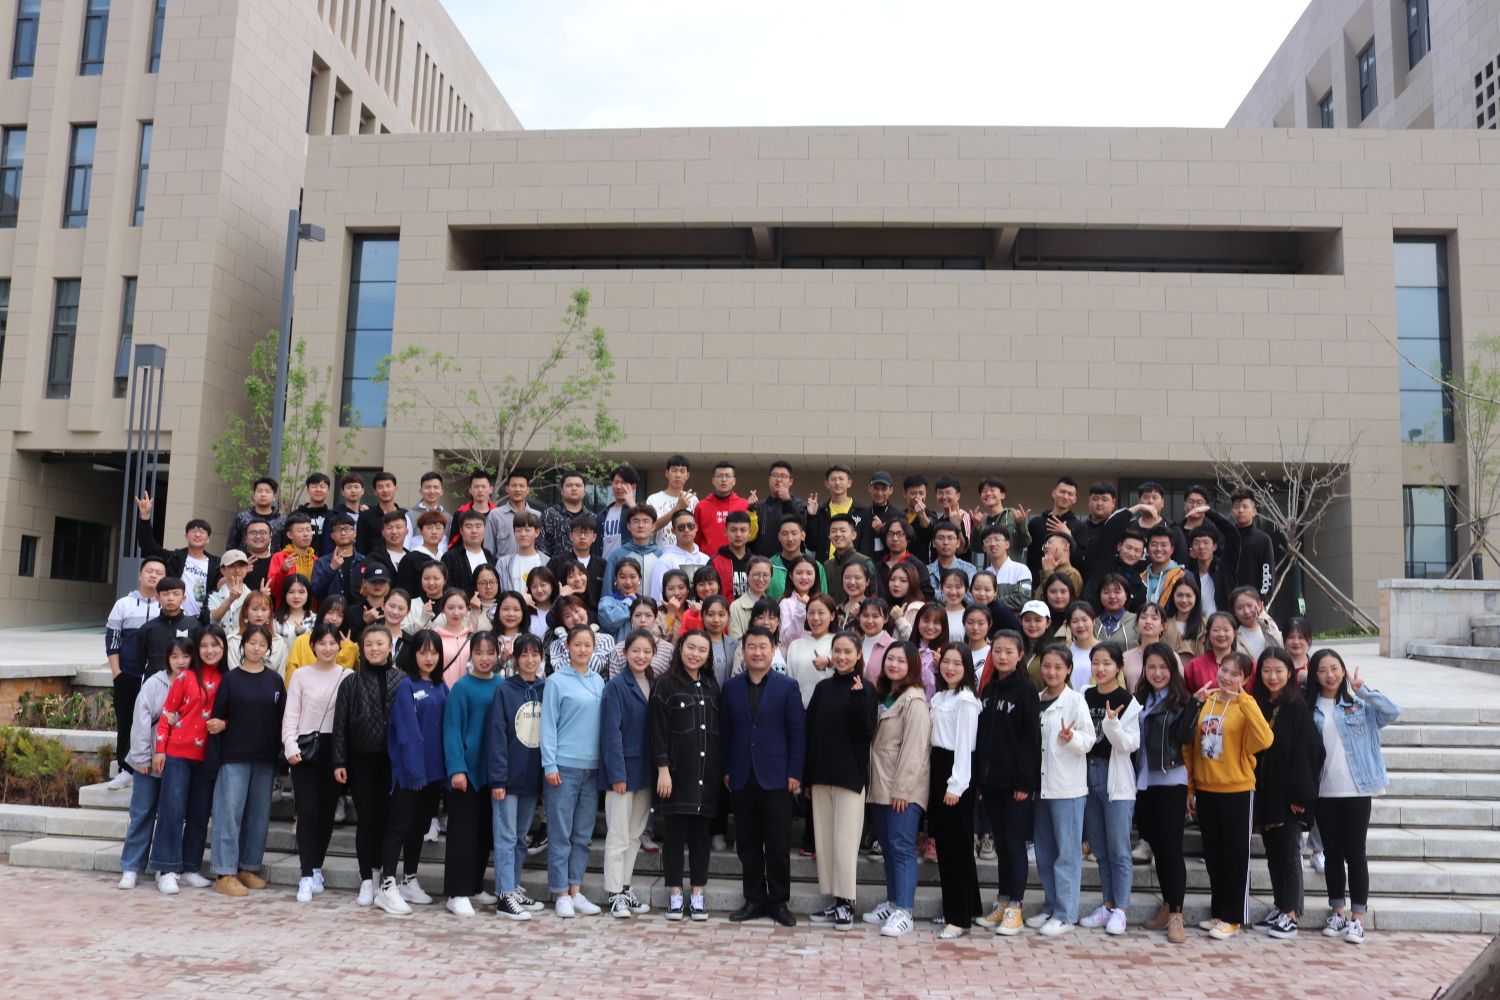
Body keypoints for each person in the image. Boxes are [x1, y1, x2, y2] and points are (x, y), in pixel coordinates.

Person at [1307, 647, 1401, 946]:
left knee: (1356, 854)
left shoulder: (1359, 705)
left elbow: (1393, 712)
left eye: (1335, 668)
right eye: (1323, 670)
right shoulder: (1309, 709)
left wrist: (1364, 690)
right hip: (1323, 790)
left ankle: (1358, 918)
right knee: (1332, 854)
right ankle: (1337, 912)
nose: (1330, 675)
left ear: (1343, 670)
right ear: (1314, 675)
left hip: (1357, 789)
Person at [1185, 651, 1273, 940]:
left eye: (1235, 674)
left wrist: (1244, 699)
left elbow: (1265, 739)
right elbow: (1191, 748)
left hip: (1237, 789)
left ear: (1245, 679)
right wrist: (1191, 787)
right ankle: (1219, 912)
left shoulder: (1247, 705)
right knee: (1214, 856)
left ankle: (1233, 917)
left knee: (1235, 857)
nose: (1226, 677)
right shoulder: (1207, 701)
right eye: (1224, 670)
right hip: (1206, 788)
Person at [721, 625, 805, 927]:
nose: (757, 652)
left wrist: (795, 771)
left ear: (773, 650)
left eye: (763, 647)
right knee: (748, 844)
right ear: (743, 651)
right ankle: (754, 899)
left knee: (778, 845)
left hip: (778, 776)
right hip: (742, 774)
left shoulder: (787, 686)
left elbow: (797, 733)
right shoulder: (730, 687)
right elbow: (726, 732)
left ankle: (779, 902)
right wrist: (727, 769)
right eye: (751, 647)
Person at [803, 631, 878, 931]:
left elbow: (866, 732)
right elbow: (810, 732)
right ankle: (834, 900)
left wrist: (858, 700)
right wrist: (807, 778)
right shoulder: (822, 688)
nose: (842, 657)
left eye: (848, 652)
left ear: (859, 655)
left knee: (845, 842)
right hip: (821, 774)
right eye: (837, 651)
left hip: (851, 775)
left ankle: (847, 902)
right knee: (825, 841)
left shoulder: (866, 689)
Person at [207, 623, 285, 898]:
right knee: (229, 814)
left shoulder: (275, 681)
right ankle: (224, 872)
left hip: (265, 757)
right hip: (235, 756)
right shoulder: (231, 679)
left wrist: (281, 758)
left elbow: (281, 720)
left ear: (268, 649)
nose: (256, 648)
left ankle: (247, 867)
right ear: (243, 645)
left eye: (262, 644)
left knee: (258, 816)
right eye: (251, 643)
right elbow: (218, 720)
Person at [148, 624, 228, 894]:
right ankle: (166, 869)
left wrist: (224, 724)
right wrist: (160, 749)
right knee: (171, 811)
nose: (209, 650)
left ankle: (191, 867)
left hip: (208, 757)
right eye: (204, 645)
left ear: (224, 647)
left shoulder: (228, 679)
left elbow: (235, 715)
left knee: (199, 814)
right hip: (178, 754)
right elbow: (166, 713)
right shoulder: (185, 677)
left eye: (215, 645)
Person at [650, 629, 723, 921]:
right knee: (674, 837)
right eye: (690, 647)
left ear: (708, 655)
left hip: (707, 774)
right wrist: (663, 770)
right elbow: (657, 731)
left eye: (702, 650)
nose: (695, 654)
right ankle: (675, 895)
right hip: (676, 775)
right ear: (680, 648)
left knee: (700, 838)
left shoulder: (712, 686)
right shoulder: (665, 684)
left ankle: (698, 894)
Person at [971, 630, 1040, 937]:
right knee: (1001, 844)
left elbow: (1030, 741)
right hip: (991, 782)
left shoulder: (1026, 691)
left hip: (1016, 784)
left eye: (1009, 651)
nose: (1002, 656)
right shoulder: (988, 689)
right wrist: (980, 777)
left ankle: (1016, 908)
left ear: (1020, 655)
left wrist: (1024, 782)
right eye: (997, 650)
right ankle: (1001, 902)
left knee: (1014, 844)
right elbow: (982, 737)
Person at [1131, 641, 1201, 944]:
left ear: (1173, 670)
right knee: (1158, 848)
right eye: (1151, 667)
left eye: (1163, 667)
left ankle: (1176, 916)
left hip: (1171, 782)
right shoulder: (1139, 700)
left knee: (1171, 851)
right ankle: (1167, 905)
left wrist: (1194, 706)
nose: (1157, 673)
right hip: (1144, 783)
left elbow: (1184, 735)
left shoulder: (1182, 701)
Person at [1252, 646, 1322, 940]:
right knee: (1273, 854)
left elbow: (1310, 752)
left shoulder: (1296, 707)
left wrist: (1300, 796)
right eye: (1267, 670)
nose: (1273, 676)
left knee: (1289, 854)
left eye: (1279, 671)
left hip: (1288, 796)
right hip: (1265, 792)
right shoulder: (1257, 704)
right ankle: (1280, 906)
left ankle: (1291, 914)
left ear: (1290, 673)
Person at [1027, 643, 1095, 937]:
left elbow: (1089, 740)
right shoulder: (1036, 699)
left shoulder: (1075, 700)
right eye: (1047, 666)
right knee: (1044, 853)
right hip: (1041, 787)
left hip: (1067, 788)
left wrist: (1071, 738)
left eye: (1058, 667)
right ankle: (1051, 907)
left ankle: (1066, 914)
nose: (1051, 672)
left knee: (1067, 854)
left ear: (1068, 670)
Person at [863, 639, 931, 938]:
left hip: (902, 790)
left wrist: (902, 790)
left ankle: (905, 911)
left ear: (913, 666)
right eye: (890, 659)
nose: (894, 665)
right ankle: (892, 904)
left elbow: (915, 750)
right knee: (889, 849)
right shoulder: (884, 696)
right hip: (880, 785)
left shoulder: (914, 701)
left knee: (902, 848)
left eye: (902, 661)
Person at [330, 626, 402, 908]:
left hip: (392, 761)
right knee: (367, 820)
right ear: (362, 648)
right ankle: (366, 880)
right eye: (369, 644)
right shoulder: (351, 682)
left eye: (380, 643)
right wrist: (339, 760)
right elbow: (340, 724)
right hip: (362, 760)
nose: (374, 648)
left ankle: (384, 876)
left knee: (388, 819)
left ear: (390, 647)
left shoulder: (402, 679)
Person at [541, 625, 607, 918]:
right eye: (577, 644)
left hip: (592, 769)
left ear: (594, 648)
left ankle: (576, 890)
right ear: (567, 647)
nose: (582, 650)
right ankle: (560, 893)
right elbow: (548, 725)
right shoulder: (556, 681)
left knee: (582, 835)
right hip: (563, 767)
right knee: (560, 834)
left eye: (587, 645)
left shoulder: (599, 681)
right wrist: (549, 764)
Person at [380, 629, 448, 917]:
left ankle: (409, 879)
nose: (428, 657)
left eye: (434, 652)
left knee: (419, 828)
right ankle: (386, 885)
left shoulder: (441, 686)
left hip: (434, 774)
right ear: (413, 654)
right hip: (410, 774)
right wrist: (416, 774)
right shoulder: (407, 686)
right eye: (423, 652)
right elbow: (408, 735)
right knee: (399, 827)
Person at [282, 623, 351, 902]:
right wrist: (290, 745)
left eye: (332, 643)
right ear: (312, 646)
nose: (327, 648)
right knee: (307, 812)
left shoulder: (348, 676)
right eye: (321, 643)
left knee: (326, 813)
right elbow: (291, 715)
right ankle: (306, 875)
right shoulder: (301, 675)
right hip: (305, 750)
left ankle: (317, 866)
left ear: (339, 646)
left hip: (335, 751)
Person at [117, 637, 193, 890]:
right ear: (167, 659)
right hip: (149, 760)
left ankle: (165, 868)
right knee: (141, 813)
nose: (180, 662)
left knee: (172, 816)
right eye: (175, 656)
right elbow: (140, 721)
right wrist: (141, 758)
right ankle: (131, 866)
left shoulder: (195, 684)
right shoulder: (154, 684)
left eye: (185, 656)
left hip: (178, 761)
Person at [1076, 642, 1141, 936]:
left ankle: (1121, 910)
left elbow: (1129, 745)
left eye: (1107, 663)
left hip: (1116, 780)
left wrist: (1112, 725)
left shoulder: (1129, 701)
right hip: (1086, 775)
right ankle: (1107, 904)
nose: (1100, 668)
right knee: (1100, 849)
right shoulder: (1084, 695)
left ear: (1118, 667)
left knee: (1119, 849)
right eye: (1096, 663)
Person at [487, 633, 549, 920]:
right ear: (515, 659)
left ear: (541, 658)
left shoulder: (546, 689)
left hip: (532, 778)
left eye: (535, 655)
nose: (530, 660)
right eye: (524, 655)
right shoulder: (504, 690)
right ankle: (504, 895)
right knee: (506, 836)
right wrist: (498, 779)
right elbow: (497, 735)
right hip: (508, 778)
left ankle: (513, 886)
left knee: (521, 838)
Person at [442, 631, 504, 917]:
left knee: (483, 833)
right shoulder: (461, 687)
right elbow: (452, 729)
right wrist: (456, 768)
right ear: (471, 655)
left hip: (492, 773)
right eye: (479, 653)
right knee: (462, 835)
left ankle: (476, 886)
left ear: (498, 655)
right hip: (466, 773)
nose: (484, 658)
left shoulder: (502, 686)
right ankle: (457, 893)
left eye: (490, 653)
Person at [600, 629, 656, 919]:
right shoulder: (616, 686)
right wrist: (617, 775)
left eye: (647, 651)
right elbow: (611, 734)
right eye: (635, 650)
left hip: (646, 773)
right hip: (622, 773)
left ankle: (624, 887)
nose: (641, 656)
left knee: (634, 836)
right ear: (624, 653)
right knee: (618, 836)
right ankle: (613, 894)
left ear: (654, 654)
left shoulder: (655, 684)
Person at [929, 644, 982, 939]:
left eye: (957, 664)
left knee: (957, 847)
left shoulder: (966, 700)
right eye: (946, 662)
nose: (950, 668)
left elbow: (965, 746)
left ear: (967, 668)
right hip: (938, 769)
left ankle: (958, 919)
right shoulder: (940, 696)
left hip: (955, 774)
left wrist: (956, 785)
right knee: (946, 845)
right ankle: (965, 906)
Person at [104, 557, 165, 790]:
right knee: (126, 722)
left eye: (159, 572)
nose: (153, 575)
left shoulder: (167, 606)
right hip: (128, 674)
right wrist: (117, 673)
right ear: (140, 575)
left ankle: (154, 767)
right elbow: (113, 640)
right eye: (149, 571)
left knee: (157, 722)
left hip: (158, 677)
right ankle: (125, 770)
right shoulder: (123, 604)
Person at [134, 492, 221, 617]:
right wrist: (145, 516)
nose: (197, 534)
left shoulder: (216, 564)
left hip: (203, 620)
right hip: (175, 617)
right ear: (186, 536)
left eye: (202, 532)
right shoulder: (173, 558)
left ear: (208, 539)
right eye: (193, 531)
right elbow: (147, 545)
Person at [283, 595, 359, 678]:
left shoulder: (349, 646)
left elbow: (344, 677)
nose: (334, 618)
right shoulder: (302, 641)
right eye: (330, 612)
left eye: (340, 615)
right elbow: (291, 674)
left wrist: (347, 649)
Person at [807, 463, 871, 559]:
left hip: (853, 565)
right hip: (825, 566)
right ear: (827, 484)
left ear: (849, 483)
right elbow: (811, 545)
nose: (837, 483)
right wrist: (812, 516)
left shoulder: (862, 511)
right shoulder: (820, 511)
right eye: (833, 479)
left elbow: (865, 546)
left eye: (841, 479)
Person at [695, 461, 758, 558]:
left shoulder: (745, 504)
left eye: (728, 476)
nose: (723, 479)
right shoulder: (701, 506)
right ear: (713, 480)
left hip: (737, 559)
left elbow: (751, 535)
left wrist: (752, 509)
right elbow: (697, 538)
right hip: (707, 559)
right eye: (720, 476)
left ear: (734, 481)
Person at [786, 593, 837, 708]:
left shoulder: (840, 644)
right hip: (800, 711)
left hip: (831, 711)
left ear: (832, 615)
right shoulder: (795, 646)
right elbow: (790, 682)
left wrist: (829, 662)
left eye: (821, 613)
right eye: (811, 613)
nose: (815, 618)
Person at [649, 508, 710, 600]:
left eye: (690, 526)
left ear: (696, 528)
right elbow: (658, 597)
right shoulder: (664, 561)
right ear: (673, 531)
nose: (686, 530)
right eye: (681, 527)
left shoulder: (705, 559)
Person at [602, 503, 662, 596]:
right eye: (636, 521)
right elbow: (607, 589)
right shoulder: (616, 555)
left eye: (645, 521)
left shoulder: (661, 555)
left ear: (653, 527)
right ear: (629, 526)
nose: (640, 525)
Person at [547, 513, 606, 606]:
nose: (582, 536)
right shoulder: (556, 562)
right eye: (578, 532)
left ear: (594, 537)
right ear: (571, 536)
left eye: (587, 532)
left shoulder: (603, 565)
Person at [754, 460, 809, 558]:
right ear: (769, 479)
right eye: (775, 475)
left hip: (791, 559)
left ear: (791, 481)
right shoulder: (760, 506)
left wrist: (788, 501)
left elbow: (802, 526)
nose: (778, 479)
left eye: (783, 476)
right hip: (764, 561)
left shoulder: (799, 504)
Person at [484, 470, 543, 560]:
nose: (517, 489)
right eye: (514, 485)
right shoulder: (495, 516)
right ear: (507, 489)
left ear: (528, 490)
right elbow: (489, 550)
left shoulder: (537, 516)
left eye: (521, 486)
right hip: (503, 568)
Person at [1229, 488, 1275, 600]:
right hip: (1226, 601)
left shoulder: (1263, 540)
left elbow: (1267, 573)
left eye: (1245, 507)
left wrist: (1263, 599)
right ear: (1232, 512)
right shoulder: (1224, 537)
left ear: (1254, 512)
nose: (1240, 510)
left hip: (1252, 602)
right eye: (1236, 507)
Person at [440, 510, 495, 597]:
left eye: (478, 526)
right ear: (461, 530)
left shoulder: (491, 558)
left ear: (484, 530)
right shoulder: (450, 558)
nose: (474, 531)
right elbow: (445, 588)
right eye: (469, 527)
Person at [646, 455, 698, 549]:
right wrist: (678, 508)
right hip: (662, 553)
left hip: (687, 553)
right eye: (674, 470)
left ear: (687, 475)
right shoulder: (654, 499)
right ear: (667, 473)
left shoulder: (692, 499)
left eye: (682, 471)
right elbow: (651, 528)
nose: (678, 475)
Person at [977, 524, 1032, 611]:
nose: (993, 544)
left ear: (1007, 544)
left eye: (997, 539)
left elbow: (1021, 600)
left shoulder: (1021, 570)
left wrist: (990, 603)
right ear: (984, 548)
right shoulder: (984, 575)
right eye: (988, 540)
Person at [1184, 611, 1241, 693]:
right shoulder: (1194, 665)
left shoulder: (1246, 665)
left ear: (1234, 633)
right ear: (1208, 632)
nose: (1221, 634)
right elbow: (1185, 696)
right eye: (1216, 630)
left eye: (1226, 630)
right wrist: (1195, 698)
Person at [538, 471, 591, 560]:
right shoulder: (549, 515)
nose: (574, 488)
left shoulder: (592, 517)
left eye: (578, 486)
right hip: (555, 567)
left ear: (584, 490)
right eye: (569, 485)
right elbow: (542, 548)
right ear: (561, 490)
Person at [227, 476, 284, 553]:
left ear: (274, 497)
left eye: (267, 492)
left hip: (273, 560)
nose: (263, 494)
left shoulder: (282, 521)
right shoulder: (242, 518)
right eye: (260, 491)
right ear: (254, 495)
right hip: (245, 560)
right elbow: (231, 546)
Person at [496, 509, 547, 594]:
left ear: (537, 532)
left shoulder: (547, 562)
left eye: (527, 530)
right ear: (514, 532)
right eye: (518, 530)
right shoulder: (503, 564)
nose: (523, 534)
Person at [356, 472, 405, 557]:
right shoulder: (366, 516)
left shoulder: (405, 515)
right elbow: (361, 548)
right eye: (380, 487)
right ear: (375, 492)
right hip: (373, 562)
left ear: (395, 489)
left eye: (388, 486)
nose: (385, 490)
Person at [434, 589, 476, 688]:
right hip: (443, 692)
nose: (456, 613)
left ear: (467, 608)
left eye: (461, 608)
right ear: (443, 609)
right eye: (450, 608)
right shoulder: (435, 637)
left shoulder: (472, 637)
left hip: (469, 692)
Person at [1230, 585, 1283, 660]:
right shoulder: (1232, 637)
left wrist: (1263, 619)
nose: (1246, 611)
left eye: (1250, 605)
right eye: (1240, 608)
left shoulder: (1270, 629)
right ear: (1234, 611)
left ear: (1260, 605)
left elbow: (1281, 648)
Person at [728, 556, 775, 639]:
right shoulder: (736, 607)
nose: (761, 579)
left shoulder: (774, 605)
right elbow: (735, 640)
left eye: (765, 575)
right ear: (747, 576)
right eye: (756, 575)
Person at [1163, 576, 1205, 656]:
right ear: (1173, 597)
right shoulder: (1164, 625)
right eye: (1179, 595)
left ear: (1196, 598)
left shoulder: (1206, 625)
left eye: (1189, 596)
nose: (1184, 600)